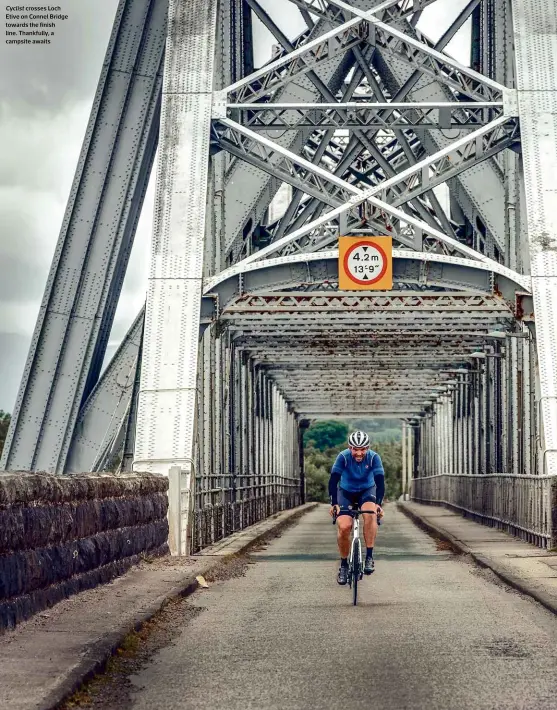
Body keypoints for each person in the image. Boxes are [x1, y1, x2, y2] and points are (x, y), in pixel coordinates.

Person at [328, 430, 385, 585]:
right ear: (349, 447)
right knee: (345, 526)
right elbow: (333, 480)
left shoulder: (374, 458)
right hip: (346, 492)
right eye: (355, 449)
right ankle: (344, 565)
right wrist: (334, 503)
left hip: (367, 491)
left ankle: (369, 557)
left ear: (368, 448)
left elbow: (380, 482)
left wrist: (379, 504)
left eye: (363, 449)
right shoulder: (343, 457)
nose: (359, 453)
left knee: (370, 514)